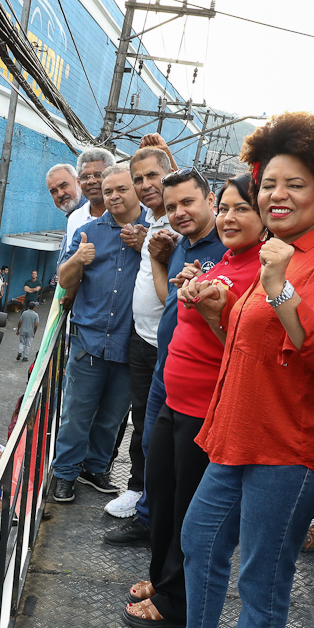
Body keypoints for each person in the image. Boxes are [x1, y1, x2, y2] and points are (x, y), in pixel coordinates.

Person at [135, 110, 314, 628]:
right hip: (237, 432)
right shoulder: (280, 256)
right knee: (199, 535)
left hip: (287, 448)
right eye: (269, 184)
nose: (276, 196)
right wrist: (217, 310)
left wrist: (278, 286)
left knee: (263, 578)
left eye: (294, 185)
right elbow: (247, 341)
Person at [123, 173, 263, 628]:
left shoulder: (263, 270)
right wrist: (188, 279)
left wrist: (210, 307)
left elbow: (245, 349)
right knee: (162, 497)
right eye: (225, 209)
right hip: (175, 398)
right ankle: (161, 578)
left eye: (240, 208)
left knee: (187, 509)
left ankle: (177, 601)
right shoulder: (226, 259)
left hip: (205, 408)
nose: (228, 217)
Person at [52, 163, 149, 501]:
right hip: (88, 341)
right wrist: (79, 258)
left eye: (121, 189)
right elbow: (64, 280)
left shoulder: (153, 234)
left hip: (129, 343)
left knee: (111, 419)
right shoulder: (89, 231)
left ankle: (95, 468)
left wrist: (147, 246)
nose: (114, 196)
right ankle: (64, 473)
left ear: (136, 189)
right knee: (76, 415)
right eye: (108, 191)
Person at [102, 144, 175, 517]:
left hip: (168, 345)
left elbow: (181, 187)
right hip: (141, 337)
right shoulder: (153, 220)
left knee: (159, 427)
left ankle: (152, 502)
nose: (146, 185)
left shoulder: (178, 220)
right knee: (141, 419)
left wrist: (168, 159)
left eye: (153, 176)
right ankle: (138, 489)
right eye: (139, 179)